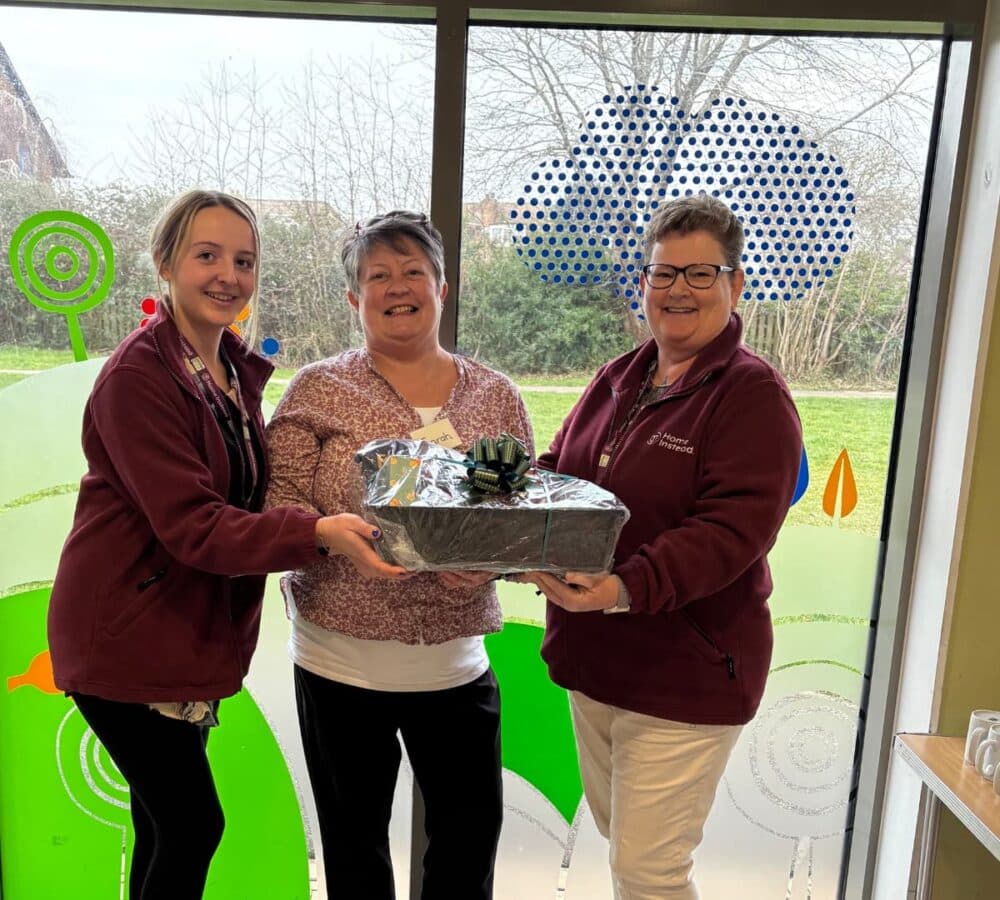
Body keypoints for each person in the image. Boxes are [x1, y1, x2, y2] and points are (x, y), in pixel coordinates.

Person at [46, 189, 401, 900]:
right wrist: (317, 533)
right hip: (124, 638)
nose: (227, 275)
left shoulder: (227, 371)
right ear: (166, 264)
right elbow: (195, 526)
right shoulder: (139, 378)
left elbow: (246, 491)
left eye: (244, 260)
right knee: (191, 824)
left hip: (180, 637)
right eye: (206, 255)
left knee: (162, 825)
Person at [517, 194, 802, 899]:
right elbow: (562, 473)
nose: (678, 290)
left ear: (736, 285)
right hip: (599, 665)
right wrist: (499, 513)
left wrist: (626, 587)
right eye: (663, 273)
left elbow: (730, 532)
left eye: (700, 274)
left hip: (685, 674)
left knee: (649, 874)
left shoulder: (751, 395)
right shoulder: (619, 377)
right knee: (631, 851)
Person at [264, 210, 533, 900]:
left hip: (454, 664)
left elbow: (518, 512)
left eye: (414, 270)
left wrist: (488, 562)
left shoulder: (494, 396)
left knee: (467, 851)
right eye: (377, 275)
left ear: (443, 286)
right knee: (355, 856)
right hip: (339, 662)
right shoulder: (319, 390)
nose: (397, 286)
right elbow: (274, 509)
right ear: (355, 299)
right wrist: (330, 533)